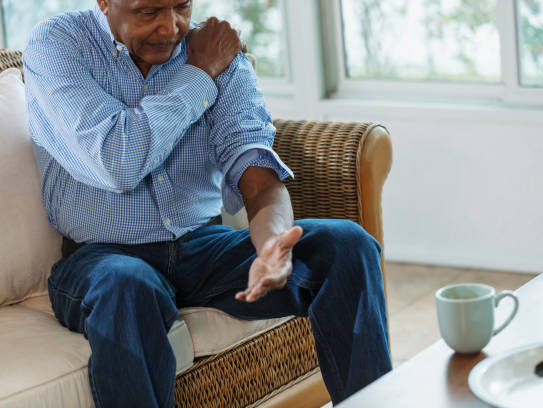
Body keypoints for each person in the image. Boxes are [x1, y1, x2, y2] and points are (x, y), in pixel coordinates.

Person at [22, 0, 392, 406]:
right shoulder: (59, 45)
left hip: (199, 247)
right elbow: (117, 161)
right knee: (126, 287)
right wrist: (198, 75)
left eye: (181, 6)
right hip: (100, 258)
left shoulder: (219, 52)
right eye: (149, 12)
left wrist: (271, 243)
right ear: (105, 2)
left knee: (347, 246)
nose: (170, 28)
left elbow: (257, 174)